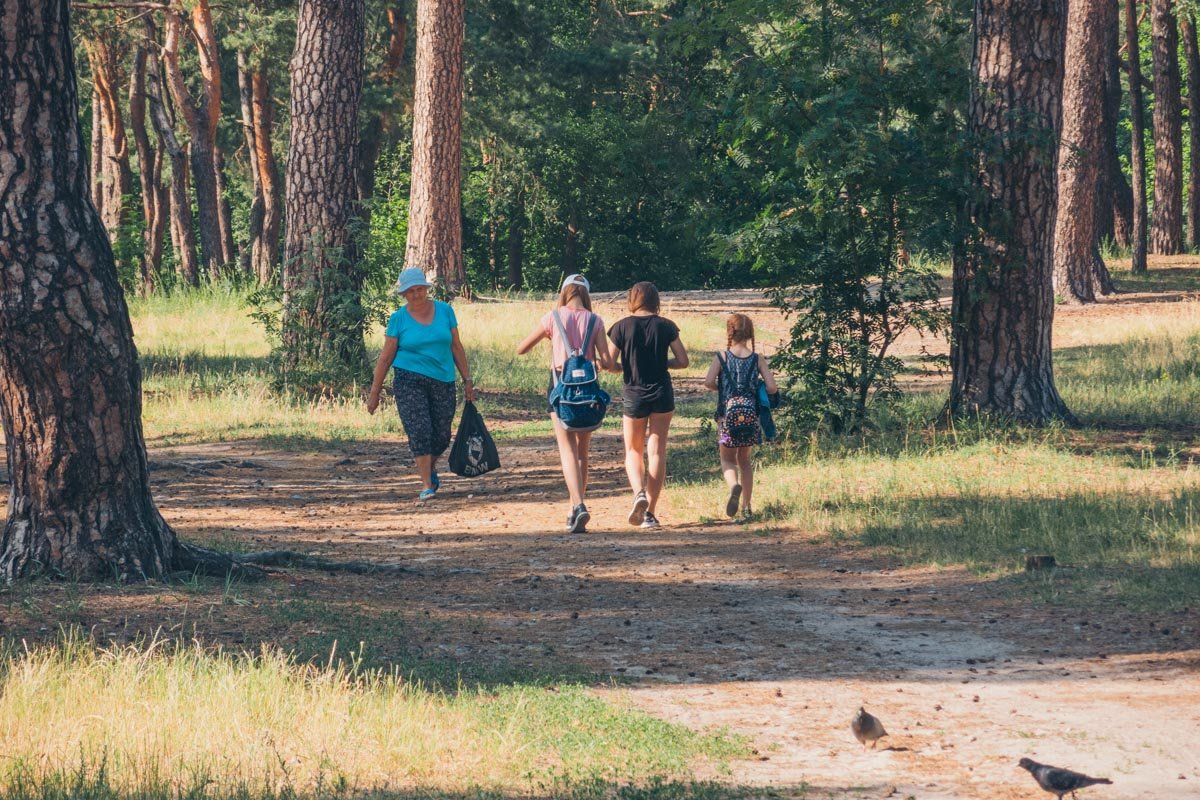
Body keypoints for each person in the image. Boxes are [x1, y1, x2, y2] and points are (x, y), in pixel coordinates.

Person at [367, 266, 476, 500]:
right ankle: (426, 483)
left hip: (443, 379)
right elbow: (385, 357)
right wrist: (374, 392)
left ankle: (429, 466)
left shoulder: (445, 311)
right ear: (404, 294)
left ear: (426, 289)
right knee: (419, 430)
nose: (416, 294)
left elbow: (456, 346)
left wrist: (467, 379)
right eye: (410, 291)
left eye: (419, 289)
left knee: (442, 435)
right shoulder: (398, 319)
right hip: (409, 379)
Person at [516, 274, 613, 533]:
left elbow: (521, 348)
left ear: (564, 292)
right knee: (583, 451)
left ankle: (578, 505)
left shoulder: (553, 318)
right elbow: (607, 362)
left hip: (561, 388)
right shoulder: (595, 320)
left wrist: (554, 338)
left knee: (567, 448)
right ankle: (574, 507)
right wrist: (594, 359)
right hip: (588, 390)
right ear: (586, 294)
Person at [607, 281, 688, 529]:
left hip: (634, 393)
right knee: (657, 451)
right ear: (656, 301)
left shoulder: (621, 327)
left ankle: (638, 493)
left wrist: (624, 367)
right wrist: (664, 364)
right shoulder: (666, 326)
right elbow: (683, 360)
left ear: (632, 299)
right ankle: (650, 513)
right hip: (662, 393)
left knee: (633, 450)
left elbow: (609, 363)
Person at [703, 313, 778, 518]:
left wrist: (722, 389)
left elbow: (708, 382)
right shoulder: (757, 359)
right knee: (744, 460)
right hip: (751, 416)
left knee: (727, 459)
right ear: (750, 333)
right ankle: (747, 507)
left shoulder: (721, 357)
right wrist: (757, 389)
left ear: (729, 332)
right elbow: (772, 387)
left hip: (726, 417)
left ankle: (733, 485)